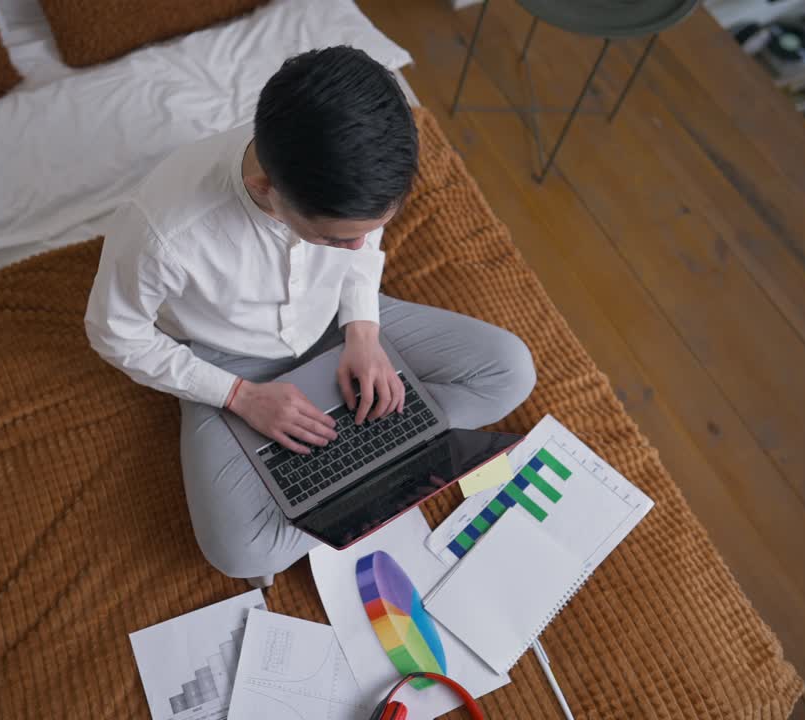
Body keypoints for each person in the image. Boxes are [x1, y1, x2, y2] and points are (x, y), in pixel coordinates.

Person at [86, 46, 536, 583]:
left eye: (365, 230)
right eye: (332, 237)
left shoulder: (355, 176)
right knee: (240, 551)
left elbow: (360, 248)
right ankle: (391, 458)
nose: (354, 249)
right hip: (229, 362)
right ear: (265, 192)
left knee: (511, 370)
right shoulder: (163, 229)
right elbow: (115, 334)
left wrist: (364, 331)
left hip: (335, 323)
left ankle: (351, 471)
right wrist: (240, 397)